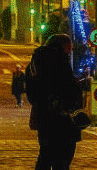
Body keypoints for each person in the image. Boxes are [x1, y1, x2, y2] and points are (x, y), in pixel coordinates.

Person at [26, 34, 84, 170]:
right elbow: (67, 88)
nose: (70, 51)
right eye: (69, 48)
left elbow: (31, 92)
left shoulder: (34, 63)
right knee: (63, 158)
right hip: (62, 118)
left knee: (45, 155)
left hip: (43, 116)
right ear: (63, 47)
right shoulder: (59, 61)